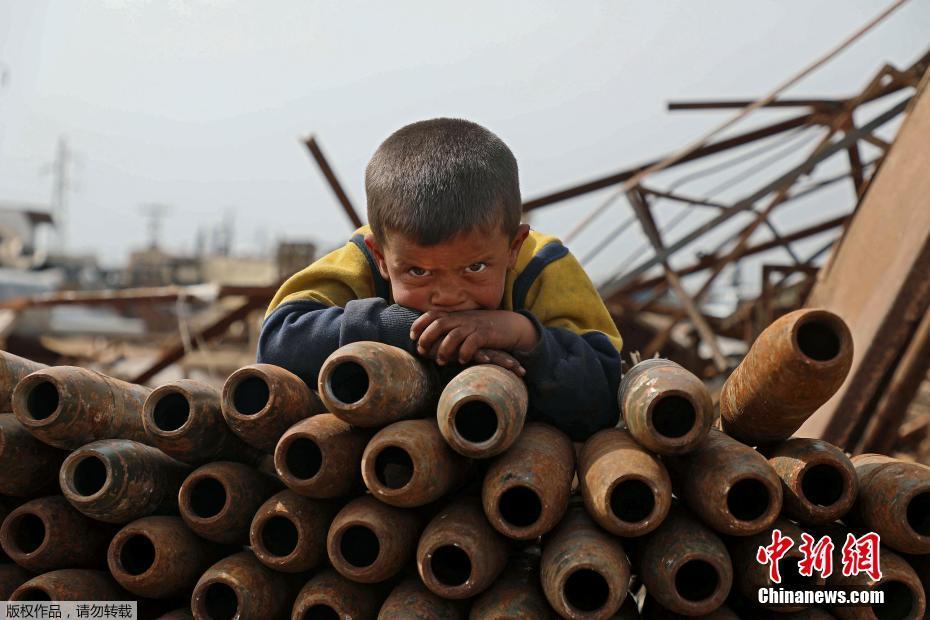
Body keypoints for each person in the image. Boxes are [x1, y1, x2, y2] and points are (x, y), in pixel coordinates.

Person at [258, 118, 622, 441]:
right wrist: (405, 330)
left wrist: (522, 335)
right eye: (418, 272)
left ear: (513, 247)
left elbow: (602, 397)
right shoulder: (364, 259)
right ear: (382, 257)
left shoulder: (541, 265)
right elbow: (278, 342)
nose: (448, 297)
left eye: (475, 268)